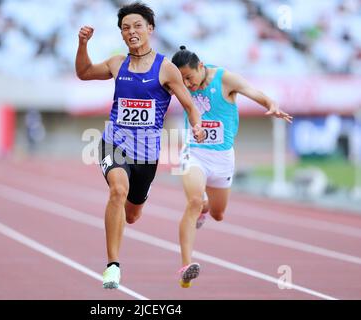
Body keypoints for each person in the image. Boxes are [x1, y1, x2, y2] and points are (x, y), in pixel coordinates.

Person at [75, 2, 205, 289]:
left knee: (132, 215)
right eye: (125, 28)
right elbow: (83, 72)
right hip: (114, 143)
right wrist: (83, 43)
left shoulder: (166, 69)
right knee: (117, 190)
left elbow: (189, 104)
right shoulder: (116, 63)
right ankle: (112, 266)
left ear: (150, 29)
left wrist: (196, 124)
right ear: (121, 34)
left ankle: (136, 203)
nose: (131, 31)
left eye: (137, 26)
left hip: (146, 154)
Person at [172, 46, 293, 288]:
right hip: (194, 152)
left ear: (201, 66)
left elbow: (253, 92)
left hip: (223, 158)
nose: (187, 84)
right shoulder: (179, 82)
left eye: (189, 77)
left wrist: (271, 103)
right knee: (193, 201)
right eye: (182, 79)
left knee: (218, 214)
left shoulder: (225, 79)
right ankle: (186, 266)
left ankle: (206, 208)